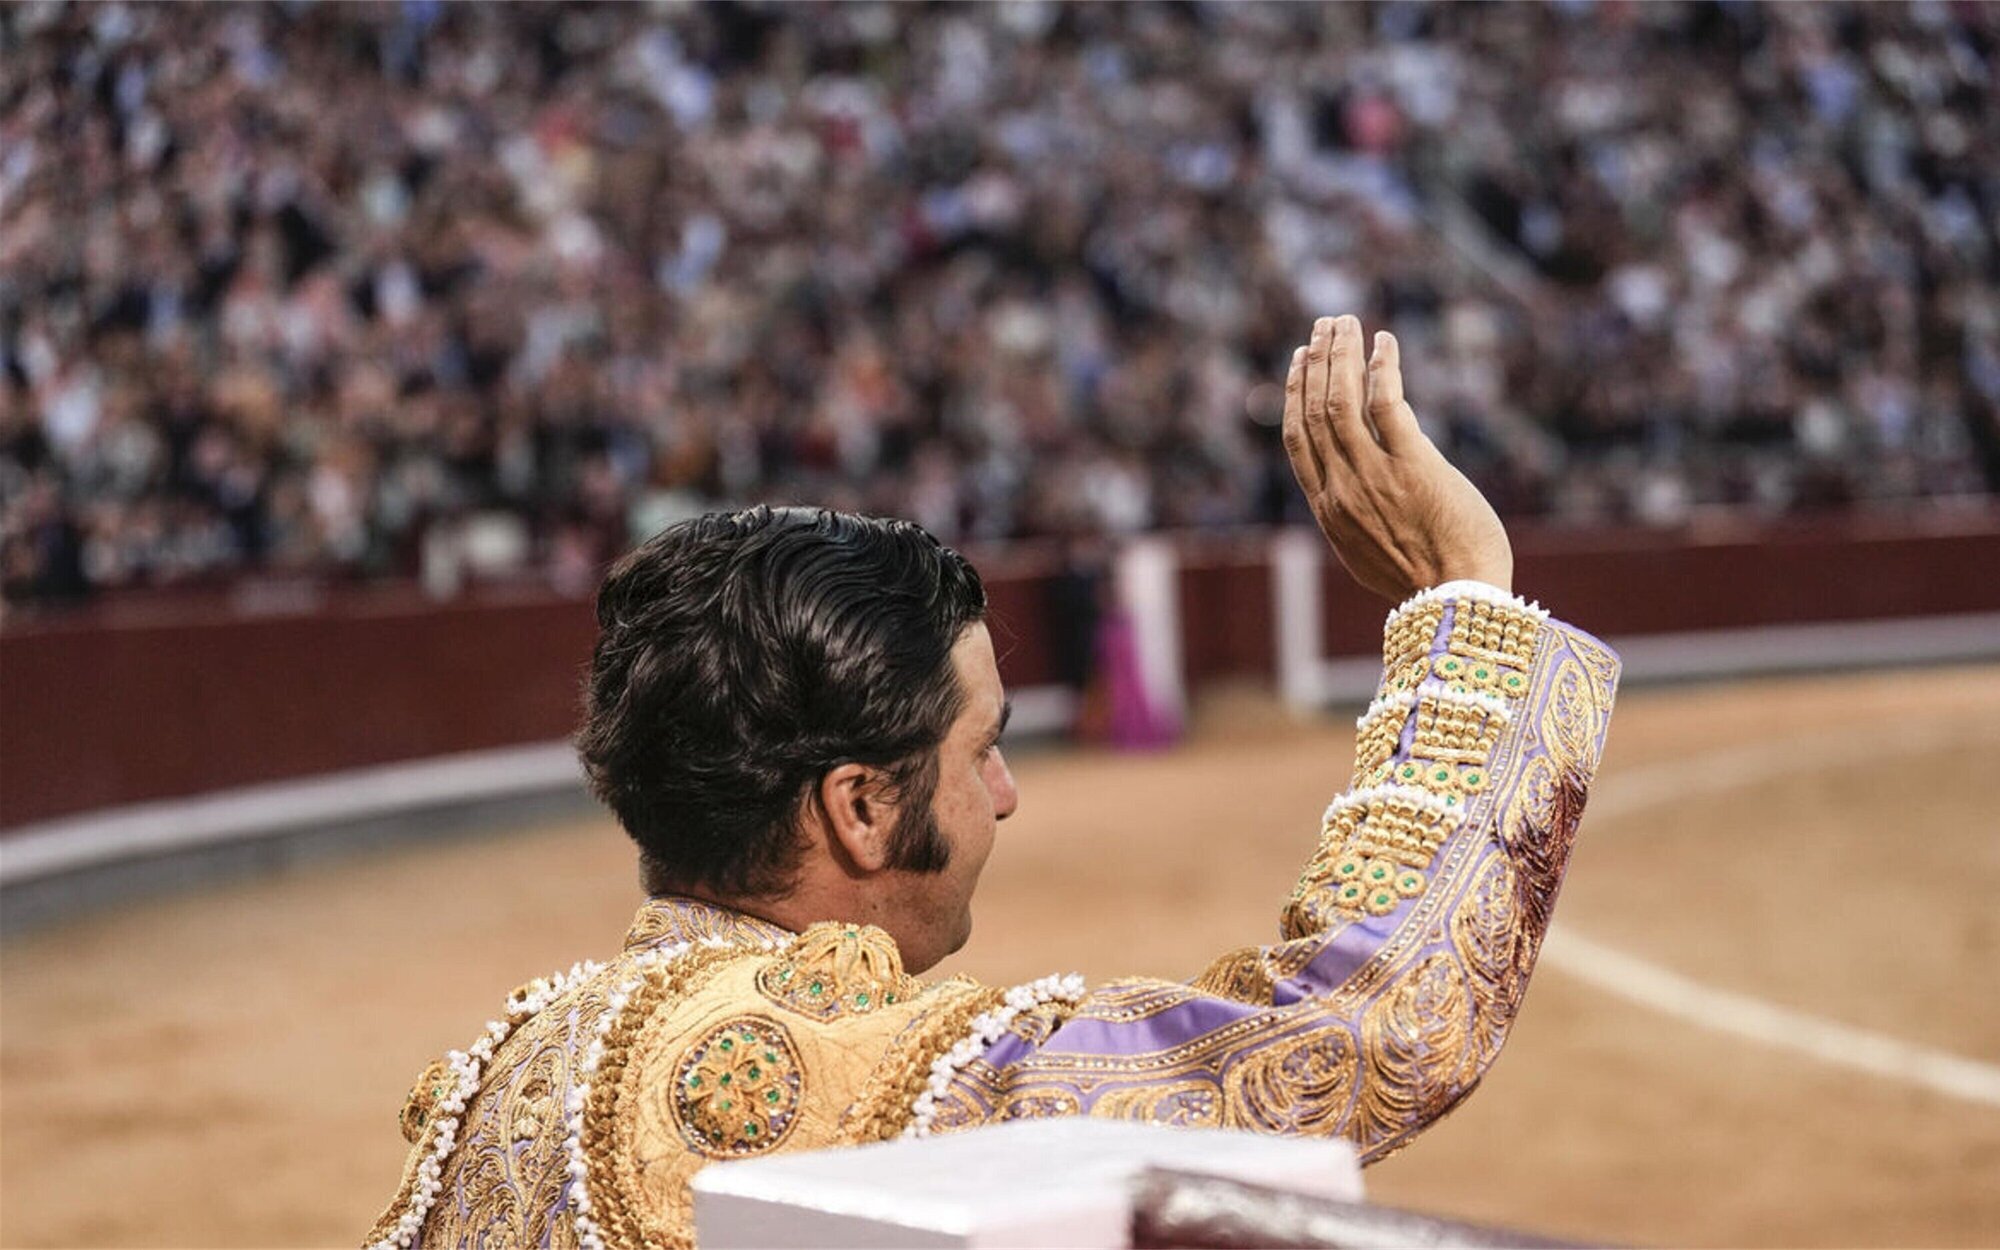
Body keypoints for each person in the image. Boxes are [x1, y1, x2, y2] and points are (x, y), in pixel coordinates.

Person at [366, 316, 1620, 1250]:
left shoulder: (504, 1074)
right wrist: (1466, 602)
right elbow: (1349, 1037)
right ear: (858, 808)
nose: (1006, 794)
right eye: (980, 749)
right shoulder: (833, 1068)